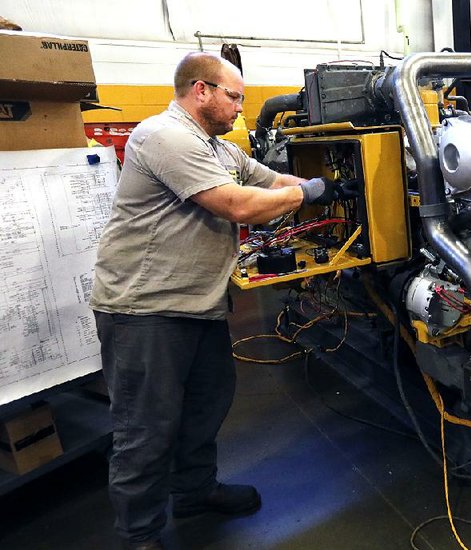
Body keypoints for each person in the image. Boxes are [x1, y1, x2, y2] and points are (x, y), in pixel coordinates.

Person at [89, 52, 338, 550]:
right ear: (201, 90)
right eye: (235, 97)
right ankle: (138, 535)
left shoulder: (217, 149)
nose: (241, 110)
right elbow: (238, 204)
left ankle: (194, 492)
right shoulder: (165, 136)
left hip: (198, 305)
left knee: (208, 403)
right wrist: (310, 192)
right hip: (145, 310)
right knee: (146, 427)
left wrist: (339, 184)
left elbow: (270, 181)